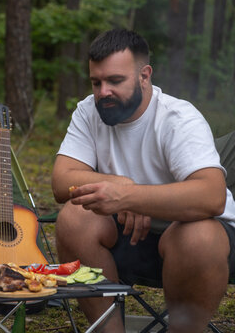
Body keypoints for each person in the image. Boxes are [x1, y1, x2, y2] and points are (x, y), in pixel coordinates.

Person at [52, 28, 235, 333]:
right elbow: (62, 181)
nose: (103, 92)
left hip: (203, 248)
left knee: (197, 236)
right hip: (130, 240)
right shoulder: (89, 111)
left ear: (144, 75)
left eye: (115, 81)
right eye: (96, 82)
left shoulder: (178, 119)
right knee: (74, 217)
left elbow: (211, 195)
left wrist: (130, 196)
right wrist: (120, 184)